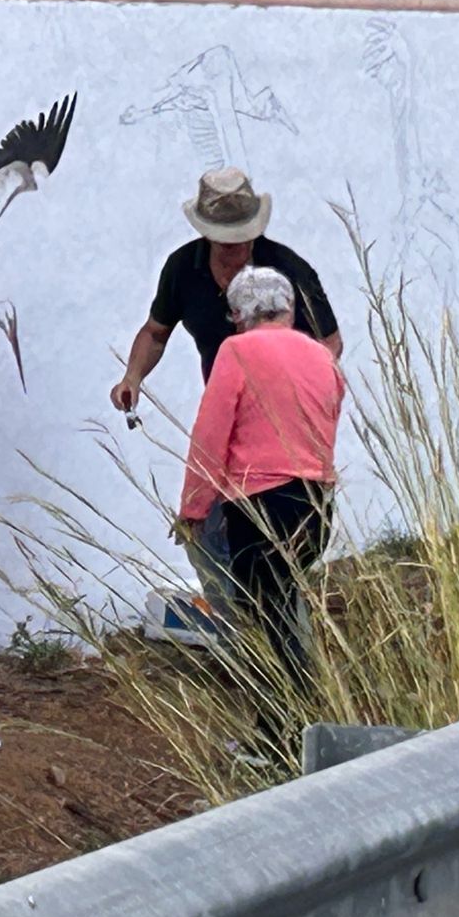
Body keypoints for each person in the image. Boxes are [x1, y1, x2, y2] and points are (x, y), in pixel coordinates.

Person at [109, 166, 342, 616]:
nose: (235, 249)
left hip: (279, 430)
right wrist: (132, 378)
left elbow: (329, 345)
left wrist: (290, 393)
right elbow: (156, 332)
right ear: (207, 234)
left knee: (239, 542)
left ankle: (254, 638)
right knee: (238, 549)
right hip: (228, 411)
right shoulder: (183, 269)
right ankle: (253, 631)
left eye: (242, 238)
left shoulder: (288, 269)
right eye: (224, 240)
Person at [177, 266, 346, 747]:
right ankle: (299, 726)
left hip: (260, 505)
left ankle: (280, 735)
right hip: (316, 503)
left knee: (265, 620)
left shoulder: (236, 351)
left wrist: (193, 507)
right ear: (289, 310)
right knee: (285, 605)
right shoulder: (322, 356)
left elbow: (210, 436)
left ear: (237, 315)